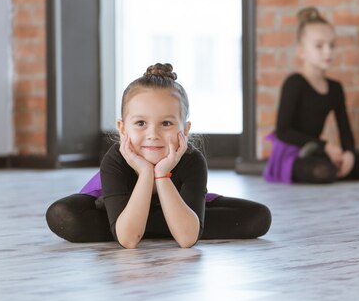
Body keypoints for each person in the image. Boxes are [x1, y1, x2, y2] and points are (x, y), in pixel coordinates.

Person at [46, 63, 271, 248]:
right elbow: (128, 240)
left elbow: (187, 239)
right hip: (115, 207)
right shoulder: (115, 159)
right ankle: (159, 224)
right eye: (141, 123)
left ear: (184, 130)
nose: (152, 134)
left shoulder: (192, 160)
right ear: (123, 129)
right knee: (63, 214)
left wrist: (161, 175)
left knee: (258, 217)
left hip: (174, 204)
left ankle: (158, 222)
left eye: (166, 123)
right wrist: (145, 173)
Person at [263, 6, 359, 184]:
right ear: (301, 51)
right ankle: (332, 167)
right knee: (322, 171)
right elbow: (283, 132)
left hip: (319, 152)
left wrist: (349, 153)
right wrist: (326, 146)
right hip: (292, 155)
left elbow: (344, 129)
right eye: (319, 46)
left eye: (332, 45)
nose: (328, 52)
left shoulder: (335, 88)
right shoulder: (295, 83)